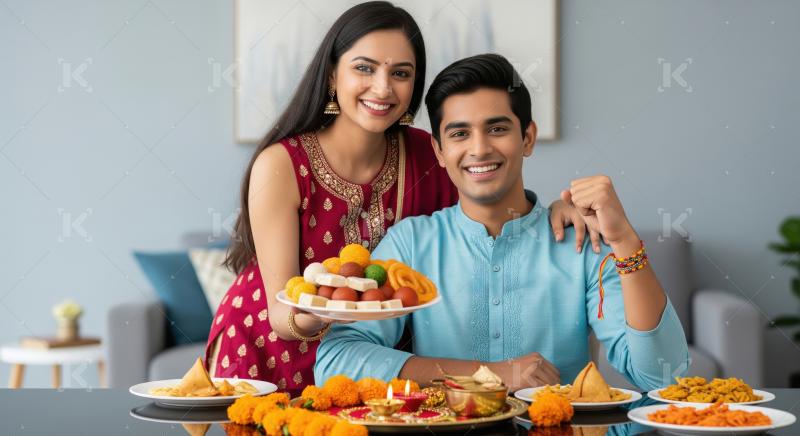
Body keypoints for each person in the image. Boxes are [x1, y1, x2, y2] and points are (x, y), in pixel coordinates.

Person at [205, 3, 587, 396]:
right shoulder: (282, 165)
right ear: (333, 74)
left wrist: (555, 212)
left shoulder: (428, 154)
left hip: (369, 361)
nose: (383, 88)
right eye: (365, 68)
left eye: (400, 73)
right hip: (268, 350)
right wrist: (317, 314)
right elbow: (282, 313)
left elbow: (489, 194)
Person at [314, 54, 690, 392]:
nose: (479, 149)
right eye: (460, 133)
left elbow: (663, 376)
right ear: (439, 152)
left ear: (527, 138)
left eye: (497, 129)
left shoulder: (580, 242)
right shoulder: (412, 244)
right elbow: (334, 363)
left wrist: (623, 238)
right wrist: (488, 372)